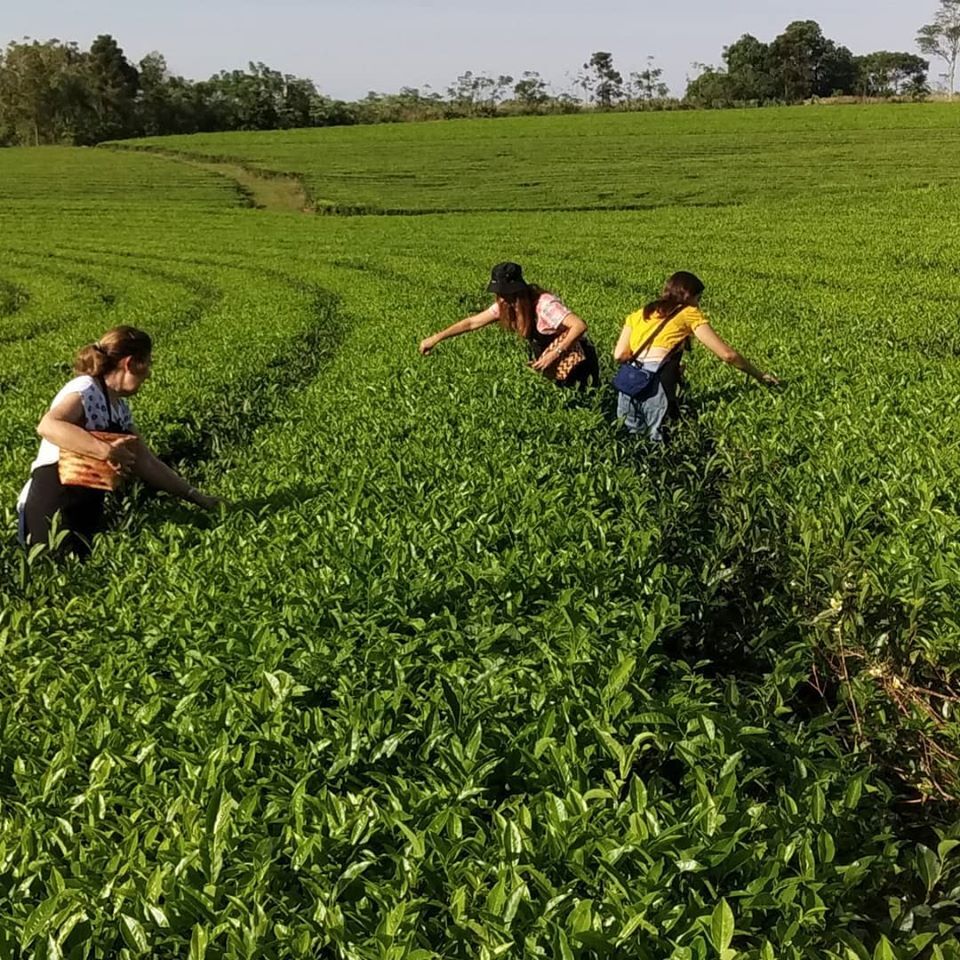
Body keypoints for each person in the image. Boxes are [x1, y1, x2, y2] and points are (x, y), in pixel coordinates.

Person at [16, 326, 219, 558]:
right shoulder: (85, 389)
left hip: (86, 504)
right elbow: (49, 425)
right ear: (130, 363)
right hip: (55, 500)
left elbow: (147, 463)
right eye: (148, 364)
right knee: (55, 572)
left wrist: (196, 497)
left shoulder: (119, 409)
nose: (149, 373)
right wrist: (106, 450)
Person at [613, 271, 778, 442]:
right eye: (698, 299)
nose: (698, 305)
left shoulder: (639, 314)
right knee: (658, 443)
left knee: (631, 443)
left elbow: (619, 355)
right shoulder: (688, 312)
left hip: (628, 385)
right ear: (689, 295)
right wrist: (760, 376)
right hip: (656, 387)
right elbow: (728, 355)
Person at [419, 262, 599, 388]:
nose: (503, 299)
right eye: (501, 294)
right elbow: (472, 322)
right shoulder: (506, 306)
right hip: (551, 366)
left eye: (508, 294)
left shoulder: (544, 305)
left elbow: (579, 325)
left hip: (577, 363)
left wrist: (554, 353)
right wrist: (436, 338)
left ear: (519, 291)